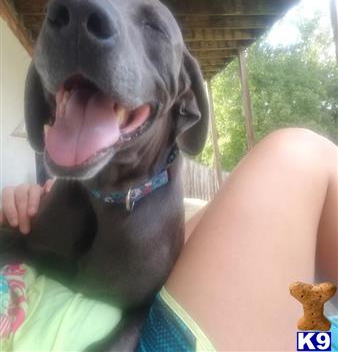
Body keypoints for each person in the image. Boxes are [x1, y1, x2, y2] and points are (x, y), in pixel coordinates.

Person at [1, 128, 337, 351]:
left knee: (217, 217)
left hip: (96, 303)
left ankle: (312, 337)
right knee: (299, 157)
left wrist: (9, 214)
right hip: (118, 336)